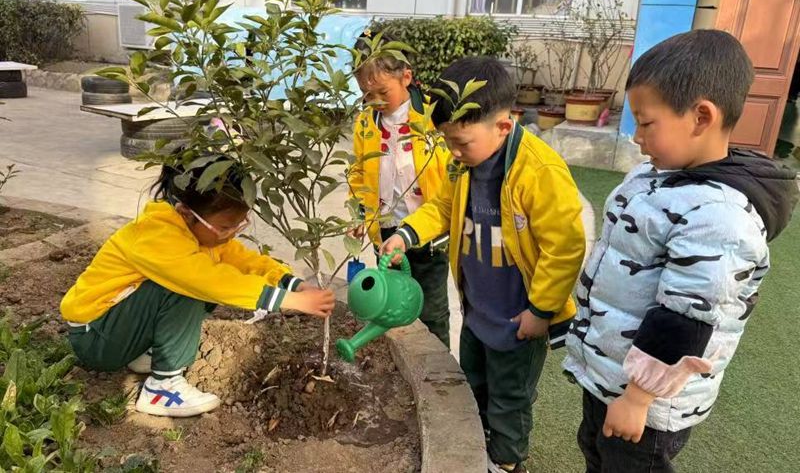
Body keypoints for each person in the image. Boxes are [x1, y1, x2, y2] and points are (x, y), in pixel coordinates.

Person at [563, 29, 799, 472]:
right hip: (611, 373)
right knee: (597, 453)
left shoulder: (720, 218)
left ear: (701, 116)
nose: (637, 138)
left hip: (649, 401)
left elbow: (684, 319)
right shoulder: (658, 175)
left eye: (646, 123)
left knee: (630, 464)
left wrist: (637, 397)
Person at [381, 56, 586, 473]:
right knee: (473, 386)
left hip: (520, 321)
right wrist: (406, 233)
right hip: (478, 311)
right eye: (448, 142)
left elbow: (564, 248)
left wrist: (541, 310)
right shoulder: (464, 164)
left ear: (503, 126)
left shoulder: (540, 171)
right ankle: (481, 446)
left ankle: (507, 462)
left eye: (462, 142)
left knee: (509, 400)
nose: (454, 153)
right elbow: (441, 207)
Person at [60, 159, 335, 418]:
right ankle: (162, 389)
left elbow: (242, 259)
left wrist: (290, 282)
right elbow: (212, 281)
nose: (233, 233)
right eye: (226, 227)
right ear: (186, 213)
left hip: (116, 328)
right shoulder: (158, 237)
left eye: (239, 224)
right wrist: (291, 301)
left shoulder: (193, 230)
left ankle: (149, 352)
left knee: (201, 279)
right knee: (192, 288)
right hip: (95, 338)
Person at [348, 33, 452, 347]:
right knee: (389, 303)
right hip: (385, 233)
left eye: (382, 91)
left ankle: (439, 367)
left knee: (431, 311)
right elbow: (359, 173)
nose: (375, 101)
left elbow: (450, 173)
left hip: (429, 236)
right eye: (367, 94)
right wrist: (358, 214)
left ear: (406, 77)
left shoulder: (434, 116)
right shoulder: (366, 123)